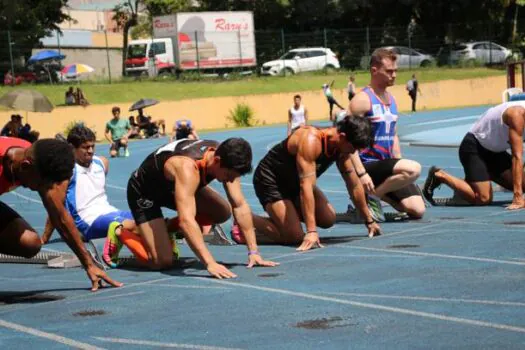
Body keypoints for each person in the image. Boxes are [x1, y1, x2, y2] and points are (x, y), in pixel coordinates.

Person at [126, 137, 278, 276]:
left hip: (177, 188)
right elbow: (186, 220)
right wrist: (210, 263)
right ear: (217, 161)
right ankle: (123, 230)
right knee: (162, 261)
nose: (231, 180)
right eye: (229, 175)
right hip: (145, 193)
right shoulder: (187, 168)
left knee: (221, 212)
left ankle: (161, 229)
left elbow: (239, 205)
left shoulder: (226, 157)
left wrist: (253, 251)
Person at [231, 116, 382, 251]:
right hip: (272, 181)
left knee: (328, 218)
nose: (353, 152)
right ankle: (243, 219)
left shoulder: (342, 148)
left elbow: (354, 185)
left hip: (296, 181)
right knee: (295, 236)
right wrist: (311, 231)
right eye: (353, 148)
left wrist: (369, 220)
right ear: (342, 137)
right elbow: (306, 187)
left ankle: (287, 217)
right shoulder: (311, 141)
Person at [0, 137, 121, 291]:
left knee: (29, 243)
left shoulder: (37, 159)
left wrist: (89, 264)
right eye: (41, 185)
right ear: (25, 166)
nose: (43, 189)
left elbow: (60, 217)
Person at [40, 125, 140, 268]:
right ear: (71, 148)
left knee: (147, 218)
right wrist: (44, 238)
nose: (91, 151)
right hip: (88, 222)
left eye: (93, 146)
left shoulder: (102, 163)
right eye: (85, 147)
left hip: (110, 212)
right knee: (135, 225)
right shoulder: (67, 172)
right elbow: (55, 206)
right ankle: (116, 238)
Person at [349, 48, 425, 221]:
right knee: (414, 169)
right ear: (374, 71)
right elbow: (348, 141)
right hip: (368, 165)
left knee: (417, 210)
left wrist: (399, 163)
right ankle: (371, 195)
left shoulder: (391, 100)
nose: (394, 75)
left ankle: (375, 193)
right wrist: (361, 173)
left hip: (386, 165)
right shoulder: (362, 100)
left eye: (396, 71)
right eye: (389, 71)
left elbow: (394, 134)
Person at [423, 101, 525, 209]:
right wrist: (518, 196)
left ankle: (479, 177)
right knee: (483, 198)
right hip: (474, 148)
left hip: (495, 152)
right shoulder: (516, 115)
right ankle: (440, 176)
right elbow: (517, 156)